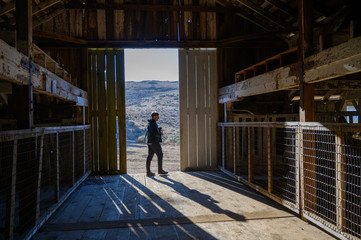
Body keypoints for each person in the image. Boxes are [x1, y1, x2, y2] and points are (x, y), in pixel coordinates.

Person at [146, 111, 168, 177]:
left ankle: (148, 172)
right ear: (154, 116)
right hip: (154, 142)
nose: (158, 117)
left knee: (149, 157)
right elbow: (156, 134)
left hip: (149, 142)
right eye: (157, 116)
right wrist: (160, 134)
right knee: (160, 155)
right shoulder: (154, 124)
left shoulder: (149, 123)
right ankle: (160, 170)